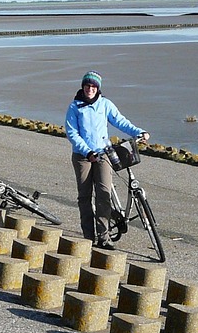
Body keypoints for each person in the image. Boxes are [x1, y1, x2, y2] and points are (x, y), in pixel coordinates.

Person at [64, 70, 149, 248]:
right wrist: (87, 152)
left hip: (103, 154)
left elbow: (120, 121)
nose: (90, 89)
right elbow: (72, 133)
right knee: (85, 196)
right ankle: (88, 236)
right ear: (83, 87)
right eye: (87, 85)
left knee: (104, 194)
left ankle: (104, 237)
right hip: (83, 157)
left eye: (94, 86)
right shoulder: (74, 107)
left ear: (98, 88)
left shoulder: (105, 104)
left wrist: (138, 132)